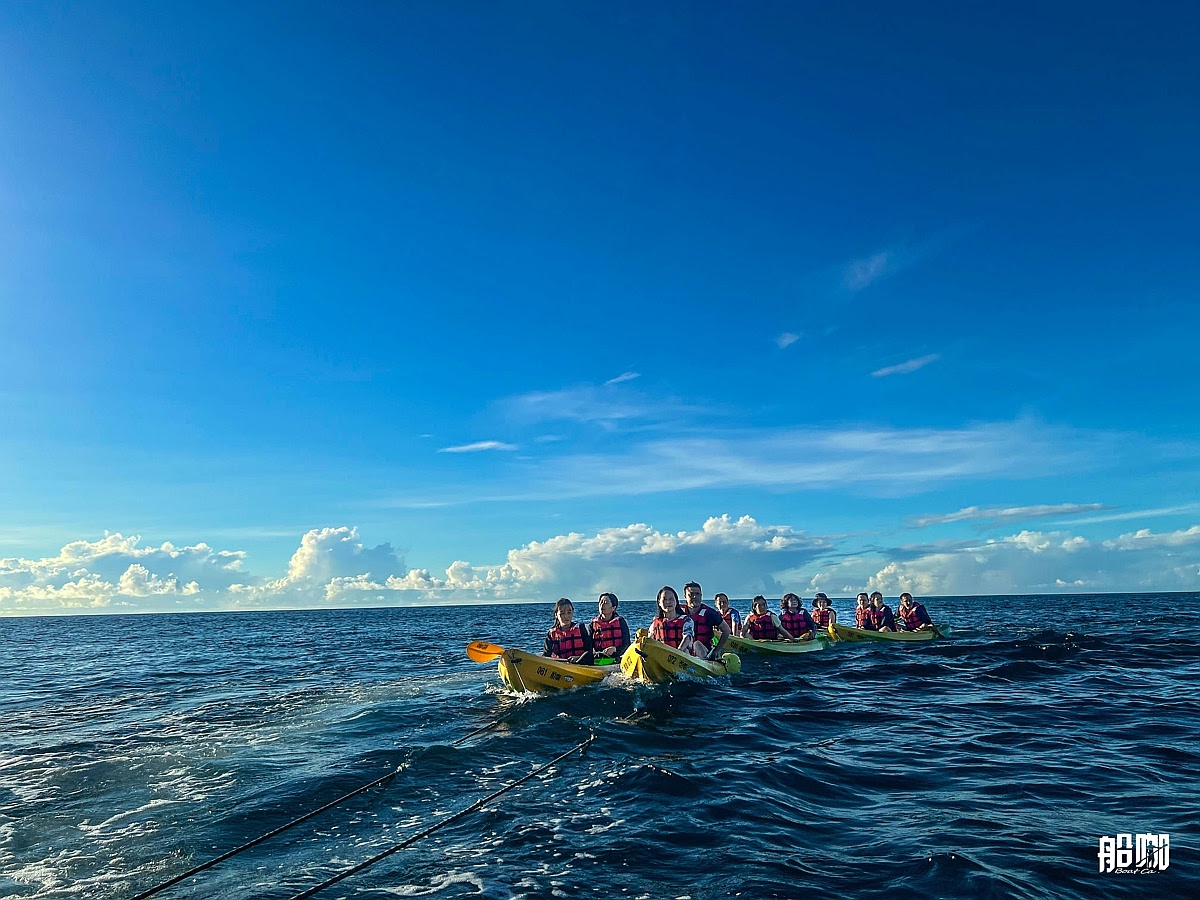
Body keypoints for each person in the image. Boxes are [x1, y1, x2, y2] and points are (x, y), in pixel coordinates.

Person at [682, 581, 732, 659]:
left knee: (697, 644)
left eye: (697, 594)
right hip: (684, 651)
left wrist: (716, 650)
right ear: (685, 596)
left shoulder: (709, 613)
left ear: (701, 596)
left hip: (704, 651)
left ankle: (705, 662)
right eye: (691, 594)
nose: (694, 597)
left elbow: (726, 630)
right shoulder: (678, 612)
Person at [543, 597, 594, 663]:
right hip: (560, 666)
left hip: (580, 665)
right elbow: (546, 655)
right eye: (562, 613)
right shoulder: (551, 634)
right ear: (556, 615)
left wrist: (579, 658)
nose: (566, 616)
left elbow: (589, 652)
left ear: (573, 612)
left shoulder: (581, 629)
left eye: (569, 612)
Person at [650, 585, 695, 653]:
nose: (668, 602)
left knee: (685, 651)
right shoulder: (655, 624)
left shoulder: (687, 620)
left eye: (671, 599)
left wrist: (679, 651)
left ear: (676, 601)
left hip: (681, 655)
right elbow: (650, 640)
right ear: (659, 602)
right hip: (661, 655)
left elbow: (687, 637)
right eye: (665, 599)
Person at [590, 592, 632, 660]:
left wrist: (615, 649)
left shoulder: (621, 622)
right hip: (599, 657)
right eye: (601, 602)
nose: (602, 605)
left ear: (613, 607)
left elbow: (626, 643)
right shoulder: (592, 624)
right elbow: (588, 645)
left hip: (617, 657)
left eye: (605, 602)